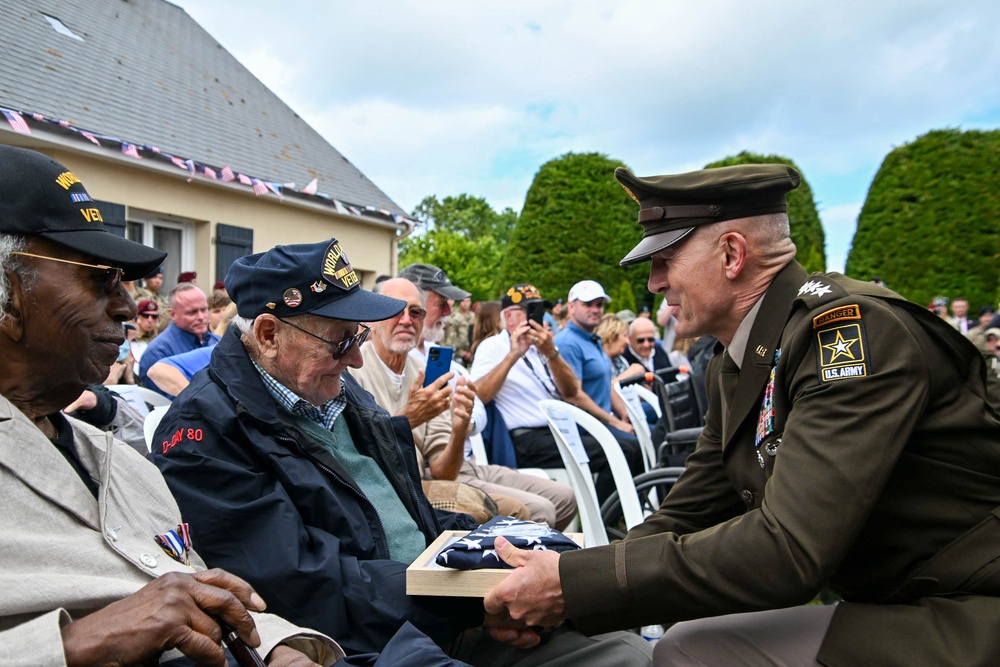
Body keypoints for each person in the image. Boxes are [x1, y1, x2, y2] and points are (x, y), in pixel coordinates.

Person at [484, 162, 1000, 666]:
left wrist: (571, 586)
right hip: (904, 597)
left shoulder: (849, 333)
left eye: (666, 259)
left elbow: (788, 551)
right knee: (688, 637)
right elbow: (689, 509)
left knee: (691, 649)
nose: (655, 284)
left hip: (968, 608)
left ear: (732, 254)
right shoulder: (743, 358)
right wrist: (569, 596)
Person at [150, 240, 649, 666]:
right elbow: (301, 585)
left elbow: (406, 516)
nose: (356, 357)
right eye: (340, 340)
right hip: (371, 643)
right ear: (267, 334)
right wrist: (475, 602)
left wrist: (497, 557)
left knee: (624, 644)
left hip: (433, 613)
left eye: (358, 337)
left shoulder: (339, 393)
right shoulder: (203, 433)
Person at [0, 145, 341, 666]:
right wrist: (73, 645)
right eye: (99, 277)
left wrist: (277, 647)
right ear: (8, 293)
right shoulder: (203, 423)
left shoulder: (123, 463)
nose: (126, 306)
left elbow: (194, 592)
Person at [354, 278, 575, 529]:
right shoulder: (353, 368)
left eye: (415, 312)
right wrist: (409, 419)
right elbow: (356, 455)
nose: (406, 319)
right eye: (394, 310)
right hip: (389, 488)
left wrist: (459, 430)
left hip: (448, 471)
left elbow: (442, 470)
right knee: (532, 510)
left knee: (565, 498)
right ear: (372, 317)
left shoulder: (428, 371)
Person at [471, 283, 645, 503]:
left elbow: (571, 391)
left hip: (558, 429)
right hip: (527, 438)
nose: (536, 317)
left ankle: (609, 513)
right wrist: (513, 355)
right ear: (508, 316)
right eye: (528, 311)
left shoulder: (541, 346)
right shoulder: (494, 346)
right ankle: (602, 518)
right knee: (622, 450)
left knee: (630, 446)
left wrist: (551, 352)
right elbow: (478, 394)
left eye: (538, 310)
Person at [554, 280, 639, 438]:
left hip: (602, 421)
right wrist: (615, 422)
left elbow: (606, 382)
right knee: (637, 445)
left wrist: (624, 415)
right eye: (588, 304)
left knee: (652, 430)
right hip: (586, 429)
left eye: (599, 305)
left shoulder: (593, 338)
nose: (595, 310)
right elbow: (573, 395)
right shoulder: (567, 343)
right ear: (571, 307)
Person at [139, 282, 220, 396]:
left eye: (204, 309)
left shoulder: (218, 342)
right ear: (172, 314)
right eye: (192, 312)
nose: (201, 317)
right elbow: (161, 402)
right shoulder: (157, 351)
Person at [442, 295, 476, 365]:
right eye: (463, 301)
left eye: (467, 301)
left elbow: (467, 335)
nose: (465, 304)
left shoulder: (473, 316)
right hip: (450, 348)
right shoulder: (451, 315)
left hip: (467, 350)